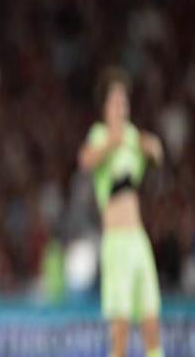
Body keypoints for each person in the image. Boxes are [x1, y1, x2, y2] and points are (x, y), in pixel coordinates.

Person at [79, 67, 164, 357]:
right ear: (105, 107)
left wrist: (151, 147)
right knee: (121, 332)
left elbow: (156, 153)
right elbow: (85, 160)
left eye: (123, 101)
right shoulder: (100, 134)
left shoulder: (132, 136)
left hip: (138, 239)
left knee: (151, 323)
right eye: (115, 101)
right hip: (116, 243)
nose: (120, 106)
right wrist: (112, 142)